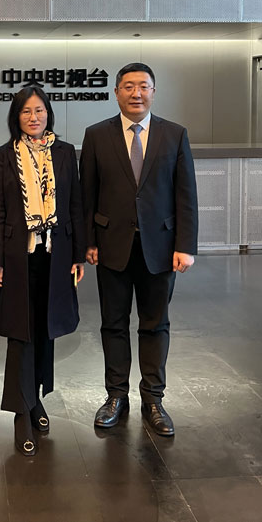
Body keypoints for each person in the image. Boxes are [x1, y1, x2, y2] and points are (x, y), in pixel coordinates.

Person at [80, 62, 198, 437]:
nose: (136, 93)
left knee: (155, 324)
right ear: (116, 92)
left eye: (143, 86)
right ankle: (116, 396)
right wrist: (88, 241)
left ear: (153, 92)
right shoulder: (96, 135)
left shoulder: (174, 134)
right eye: (128, 86)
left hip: (160, 248)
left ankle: (153, 399)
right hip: (111, 246)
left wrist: (185, 245)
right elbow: (87, 195)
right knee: (113, 324)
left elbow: (186, 195)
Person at [0, 86, 85, 456]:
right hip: (18, 256)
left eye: (40, 110)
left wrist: (77, 255)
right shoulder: (4, 155)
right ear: (16, 117)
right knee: (21, 333)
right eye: (26, 111)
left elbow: (74, 204)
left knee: (46, 330)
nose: (34, 117)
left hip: (56, 256)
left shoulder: (65, 152)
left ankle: (36, 399)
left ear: (49, 114)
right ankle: (21, 412)